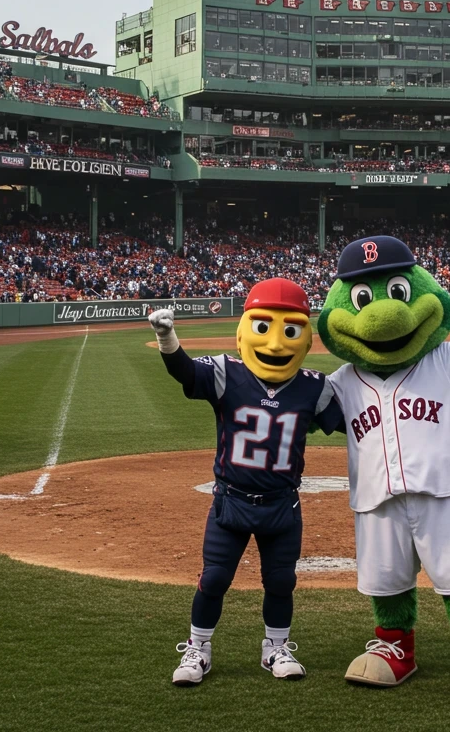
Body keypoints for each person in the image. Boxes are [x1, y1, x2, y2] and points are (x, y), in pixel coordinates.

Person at [148, 278, 342, 687]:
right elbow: (185, 372)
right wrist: (169, 339)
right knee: (215, 577)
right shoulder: (225, 373)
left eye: (290, 331)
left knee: (281, 581)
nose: (275, 344)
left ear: (305, 338)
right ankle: (198, 648)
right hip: (232, 500)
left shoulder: (314, 386)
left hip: (281, 503)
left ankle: (276, 647)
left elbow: (350, 423)